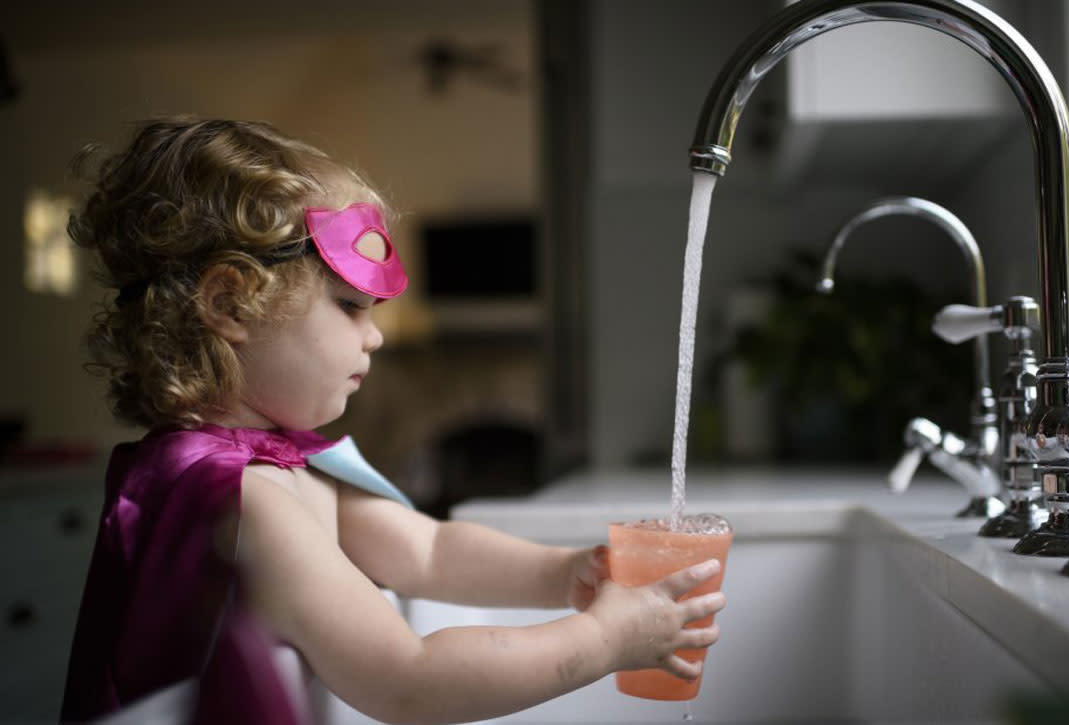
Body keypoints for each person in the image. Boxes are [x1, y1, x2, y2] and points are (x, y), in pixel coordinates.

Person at [60, 117, 726, 724]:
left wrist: (564, 573)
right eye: (351, 305)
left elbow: (428, 549)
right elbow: (409, 682)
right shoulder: (241, 499)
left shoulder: (281, 462)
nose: (374, 337)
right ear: (232, 304)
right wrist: (605, 640)